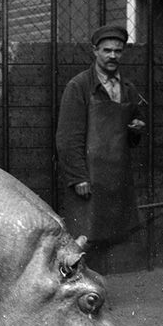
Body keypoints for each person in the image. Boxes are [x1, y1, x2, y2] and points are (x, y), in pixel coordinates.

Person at [56, 24, 146, 273]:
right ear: (94, 51)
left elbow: (130, 136)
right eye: (107, 50)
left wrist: (135, 129)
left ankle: (99, 292)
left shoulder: (127, 88)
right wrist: (77, 176)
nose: (113, 56)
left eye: (118, 51)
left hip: (116, 179)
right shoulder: (79, 86)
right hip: (88, 180)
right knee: (83, 239)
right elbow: (67, 137)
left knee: (109, 238)